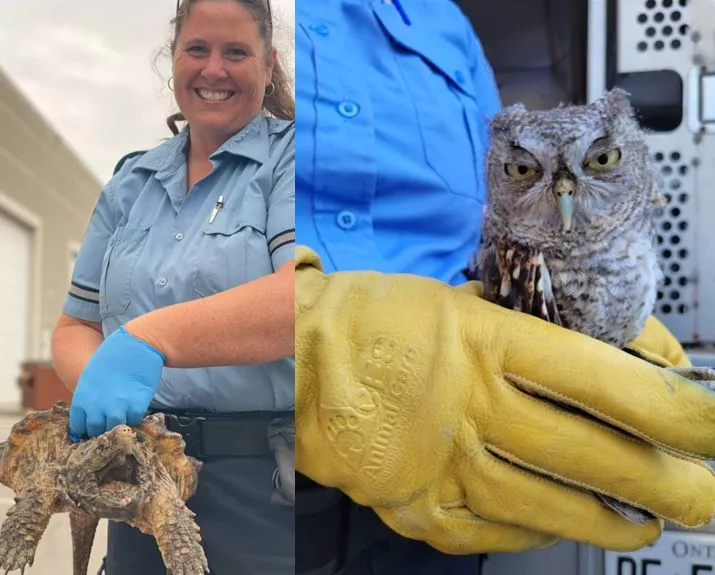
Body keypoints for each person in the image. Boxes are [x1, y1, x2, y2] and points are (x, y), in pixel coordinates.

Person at [293, 1, 715, 574]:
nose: (564, 196)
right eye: (525, 171)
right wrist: (305, 343)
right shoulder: (224, 27)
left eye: (605, 160)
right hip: (272, 454)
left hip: (466, 434)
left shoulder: (441, 22)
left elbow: (489, 186)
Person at [51, 0, 295, 573]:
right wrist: (103, 391)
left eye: (236, 52)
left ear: (269, 64)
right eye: (198, 49)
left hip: (264, 492)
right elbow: (76, 325)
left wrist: (148, 340)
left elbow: (306, 298)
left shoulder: (295, 162)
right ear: (173, 59)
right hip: (137, 478)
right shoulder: (129, 182)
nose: (214, 69)